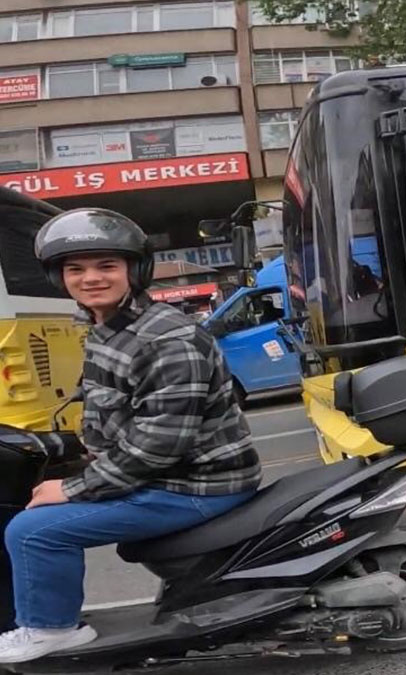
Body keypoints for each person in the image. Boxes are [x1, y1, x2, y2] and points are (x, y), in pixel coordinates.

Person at [0, 209, 261, 662]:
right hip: (169, 474)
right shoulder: (108, 326)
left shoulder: (166, 341)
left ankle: (51, 630)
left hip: (196, 485)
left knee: (33, 532)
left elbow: (159, 446)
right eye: (75, 269)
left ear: (134, 271)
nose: (90, 279)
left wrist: (73, 487)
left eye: (106, 266)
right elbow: (114, 409)